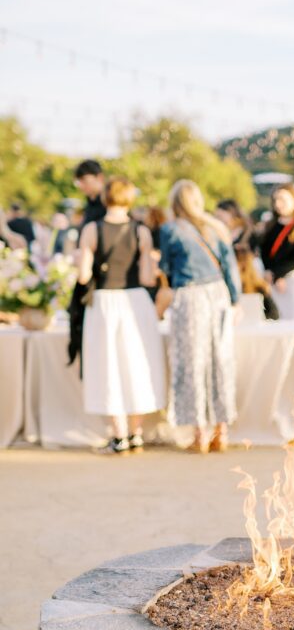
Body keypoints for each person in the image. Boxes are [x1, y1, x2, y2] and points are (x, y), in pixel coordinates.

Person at [77, 177, 166, 455]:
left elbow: (82, 276)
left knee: (108, 365)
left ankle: (118, 436)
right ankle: (135, 432)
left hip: (104, 301)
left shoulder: (92, 229)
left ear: (105, 198)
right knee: (137, 362)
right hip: (135, 300)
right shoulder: (141, 231)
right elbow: (146, 278)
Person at [160, 179, 240, 453]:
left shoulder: (171, 230)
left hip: (190, 295)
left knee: (192, 361)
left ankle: (199, 433)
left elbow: (167, 269)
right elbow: (230, 267)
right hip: (218, 295)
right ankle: (222, 430)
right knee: (220, 361)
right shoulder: (217, 228)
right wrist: (235, 300)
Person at [258, 184, 294, 320]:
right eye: (276, 200)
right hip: (273, 278)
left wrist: (279, 274)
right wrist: (270, 272)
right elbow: (264, 251)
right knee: (277, 318)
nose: (278, 204)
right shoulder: (271, 225)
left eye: (283, 199)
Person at [74, 159, 106, 227]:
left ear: (100, 177)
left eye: (84, 180)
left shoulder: (111, 204)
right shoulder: (89, 204)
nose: (80, 185)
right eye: (79, 181)